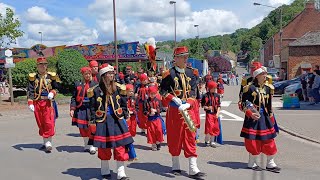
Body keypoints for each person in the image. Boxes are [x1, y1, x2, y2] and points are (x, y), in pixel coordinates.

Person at [160, 46, 205, 179]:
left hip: (188, 110)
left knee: (191, 136)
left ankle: (193, 168)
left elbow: (194, 91)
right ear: (176, 58)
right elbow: (162, 91)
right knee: (174, 137)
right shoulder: (169, 73)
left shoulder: (193, 72)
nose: (186, 59)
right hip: (174, 111)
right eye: (183, 56)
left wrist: (188, 103)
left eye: (186, 56)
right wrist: (172, 98)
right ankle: (175, 164)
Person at [88, 64, 133, 180]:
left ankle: (121, 173)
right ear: (103, 75)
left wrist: (125, 116)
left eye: (113, 73)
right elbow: (92, 108)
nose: (112, 75)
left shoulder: (119, 88)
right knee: (104, 147)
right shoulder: (95, 90)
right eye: (109, 73)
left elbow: (124, 104)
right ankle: (105, 170)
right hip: (102, 121)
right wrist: (92, 122)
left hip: (117, 120)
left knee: (120, 146)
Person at [240, 64, 280, 173]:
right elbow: (242, 103)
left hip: (265, 118)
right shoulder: (249, 88)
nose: (265, 76)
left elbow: (269, 105)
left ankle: (270, 163)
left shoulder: (268, 88)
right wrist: (249, 113)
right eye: (263, 74)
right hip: (252, 118)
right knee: (252, 140)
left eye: (265, 74)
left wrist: (271, 118)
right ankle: (251, 162)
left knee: (269, 139)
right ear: (257, 75)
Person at [27, 57, 59, 153]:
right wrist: (30, 103)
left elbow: (57, 88)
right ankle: (45, 141)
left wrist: (52, 92)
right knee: (41, 123)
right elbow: (30, 90)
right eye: (41, 65)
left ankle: (49, 143)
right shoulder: (33, 77)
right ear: (37, 66)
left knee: (48, 122)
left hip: (48, 103)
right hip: (37, 102)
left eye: (44, 64)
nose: (43, 66)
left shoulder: (51, 76)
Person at [70, 66, 97, 154]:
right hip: (81, 108)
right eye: (86, 74)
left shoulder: (95, 84)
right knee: (82, 128)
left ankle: (92, 145)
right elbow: (74, 97)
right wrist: (72, 109)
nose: (88, 75)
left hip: (91, 109)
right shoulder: (78, 84)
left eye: (89, 74)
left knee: (92, 127)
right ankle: (86, 145)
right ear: (82, 75)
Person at [144, 86, 164, 151]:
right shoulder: (146, 101)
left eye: (154, 93)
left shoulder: (158, 100)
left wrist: (156, 110)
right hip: (150, 120)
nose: (152, 95)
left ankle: (158, 142)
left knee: (159, 130)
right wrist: (149, 113)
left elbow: (161, 109)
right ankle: (153, 144)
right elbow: (144, 111)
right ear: (148, 94)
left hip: (157, 118)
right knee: (151, 133)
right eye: (151, 93)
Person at [201, 81, 221, 148]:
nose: (215, 89)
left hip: (215, 113)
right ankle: (207, 140)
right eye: (213, 88)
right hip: (209, 113)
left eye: (215, 88)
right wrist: (207, 107)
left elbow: (219, 105)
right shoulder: (205, 96)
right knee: (209, 127)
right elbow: (202, 105)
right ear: (210, 88)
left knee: (215, 127)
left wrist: (218, 113)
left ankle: (212, 141)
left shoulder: (217, 95)